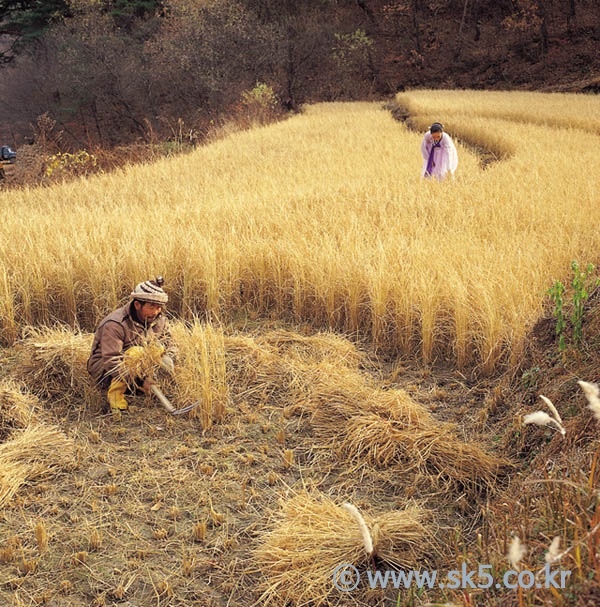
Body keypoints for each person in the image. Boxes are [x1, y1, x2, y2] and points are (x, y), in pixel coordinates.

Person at [87, 278, 175, 412]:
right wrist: (140, 380)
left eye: (159, 307)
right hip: (105, 371)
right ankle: (117, 399)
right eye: (151, 307)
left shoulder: (158, 319)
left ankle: (144, 386)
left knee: (163, 355)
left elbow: (170, 343)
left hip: (136, 366)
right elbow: (112, 362)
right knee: (136, 352)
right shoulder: (115, 324)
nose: (156, 312)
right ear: (137, 305)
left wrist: (167, 361)